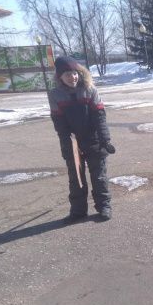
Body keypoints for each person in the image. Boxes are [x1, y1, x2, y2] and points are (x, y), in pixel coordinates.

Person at [48, 56, 115, 224]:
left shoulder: (89, 90)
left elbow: (100, 117)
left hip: (93, 140)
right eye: (67, 74)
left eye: (74, 73)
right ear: (60, 77)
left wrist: (105, 140)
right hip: (73, 143)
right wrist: (66, 144)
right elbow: (59, 123)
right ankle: (78, 211)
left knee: (99, 177)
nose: (73, 77)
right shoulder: (55, 95)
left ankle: (104, 206)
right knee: (76, 179)